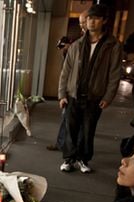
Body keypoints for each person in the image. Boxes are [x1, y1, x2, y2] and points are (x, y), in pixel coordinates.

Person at [57, 4, 122, 173]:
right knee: (71, 128)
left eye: (96, 18)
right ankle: (69, 159)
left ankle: (83, 159)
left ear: (104, 21)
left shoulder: (112, 46)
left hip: (94, 96)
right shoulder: (77, 45)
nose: (91, 22)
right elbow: (66, 71)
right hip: (73, 94)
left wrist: (108, 96)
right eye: (89, 19)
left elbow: (114, 73)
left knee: (88, 129)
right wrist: (61, 94)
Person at [47, 10, 88, 152]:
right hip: (70, 91)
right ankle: (64, 144)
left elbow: (67, 74)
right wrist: (62, 94)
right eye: (81, 23)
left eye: (62, 46)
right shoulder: (72, 50)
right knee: (67, 120)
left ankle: (67, 146)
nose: (61, 49)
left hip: (77, 92)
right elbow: (64, 74)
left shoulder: (76, 48)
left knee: (70, 121)